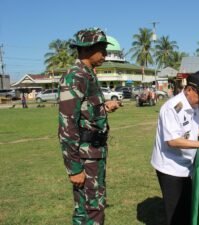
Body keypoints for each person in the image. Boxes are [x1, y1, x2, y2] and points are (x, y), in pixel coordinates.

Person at [58, 27, 121, 225]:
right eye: (101, 49)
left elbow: (86, 111)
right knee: (90, 209)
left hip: (95, 153)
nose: (104, 54)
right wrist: (74, 168)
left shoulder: (88, 75)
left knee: (91, 207)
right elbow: (67, 125)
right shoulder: (76, 76)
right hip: (85, 157)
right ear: (86, 49)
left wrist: (104, 108)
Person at [151, 72, 199, 225]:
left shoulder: (194, 104)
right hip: (170, 167)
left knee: (186, 207)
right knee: (175, 213)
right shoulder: (172, 108)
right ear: (189, 89)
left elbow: (197, 128)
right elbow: (172, 141)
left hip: (186, 164)